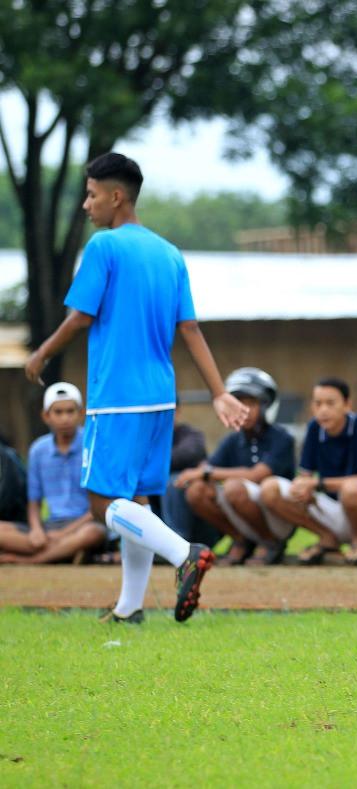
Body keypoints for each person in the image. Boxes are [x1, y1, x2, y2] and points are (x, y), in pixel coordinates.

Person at [23, 152, 249, 624]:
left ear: (115, 196)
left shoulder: (104, 249)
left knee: (102, 502)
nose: (86, 205)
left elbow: (80, 317)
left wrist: (42, 352)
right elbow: (190, 329)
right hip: (160, 399)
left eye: (90, 194)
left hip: (118, 399)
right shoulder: (169, 253)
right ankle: (130, 607)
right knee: (136, 502)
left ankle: (185, 552)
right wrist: (217, 392)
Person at [261, 377, 357, 566]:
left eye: (330, 403)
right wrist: (301, 488)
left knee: (351, 489)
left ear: (347, 405)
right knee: (270, 488)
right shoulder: (315, 428)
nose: (323, 410)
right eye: (318, 404)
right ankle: (327, 538)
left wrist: (316, 484)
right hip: (333, 510)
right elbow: (305, 476)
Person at [177, 368, 297, 566]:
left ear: (266, 405)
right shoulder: (233, 440)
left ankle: (271, 542)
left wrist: (206, 472)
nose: (244, 410)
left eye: (251, 403)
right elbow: (208, 466)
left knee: (234, 487)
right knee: (196, 490)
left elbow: (257, 475)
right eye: (238, 403)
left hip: (279, 519)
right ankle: (241, 539)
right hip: (245, 514)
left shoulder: (282, 437)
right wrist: (200, 473)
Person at [0, 383, 110, 564]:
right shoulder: (38, 450)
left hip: (85, 524)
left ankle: (31, 560)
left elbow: (98, 505)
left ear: (81, 414)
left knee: (93, 534)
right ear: (46, 416)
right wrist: (36, 530)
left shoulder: (94, 446)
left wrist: (63, 534)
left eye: (70, 411)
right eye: (58, 412)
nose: (65, 418)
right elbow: (33, 502)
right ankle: (65, 552)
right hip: (50, 526)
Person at [160, 401, 220, 549]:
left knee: (171, 482)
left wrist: (149, 462)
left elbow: (187, 455)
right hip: (160, 507)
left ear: (177, 411)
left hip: (197, 524)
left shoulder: (192, 435)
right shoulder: (146, 440)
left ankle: (177, 544)